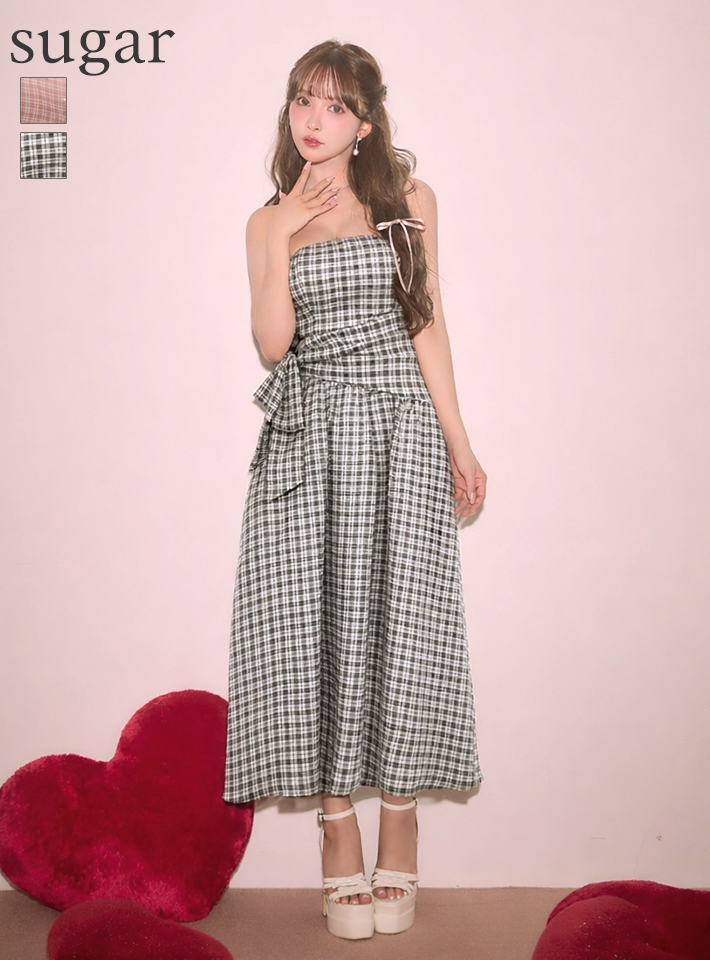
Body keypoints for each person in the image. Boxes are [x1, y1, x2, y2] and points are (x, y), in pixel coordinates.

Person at [224, 39, 486, 940]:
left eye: (335, 105)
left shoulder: (409, 201)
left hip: (401, 430)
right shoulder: (266, 221)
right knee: (315, 625)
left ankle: (399, 815)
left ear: (365, 123)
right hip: (311, 437)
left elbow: (426, 321)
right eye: (304, 99)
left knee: (405, 619)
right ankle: (338, 828)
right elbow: (272, 344)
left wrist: (458, 439)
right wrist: (285, 230)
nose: (314, 118)